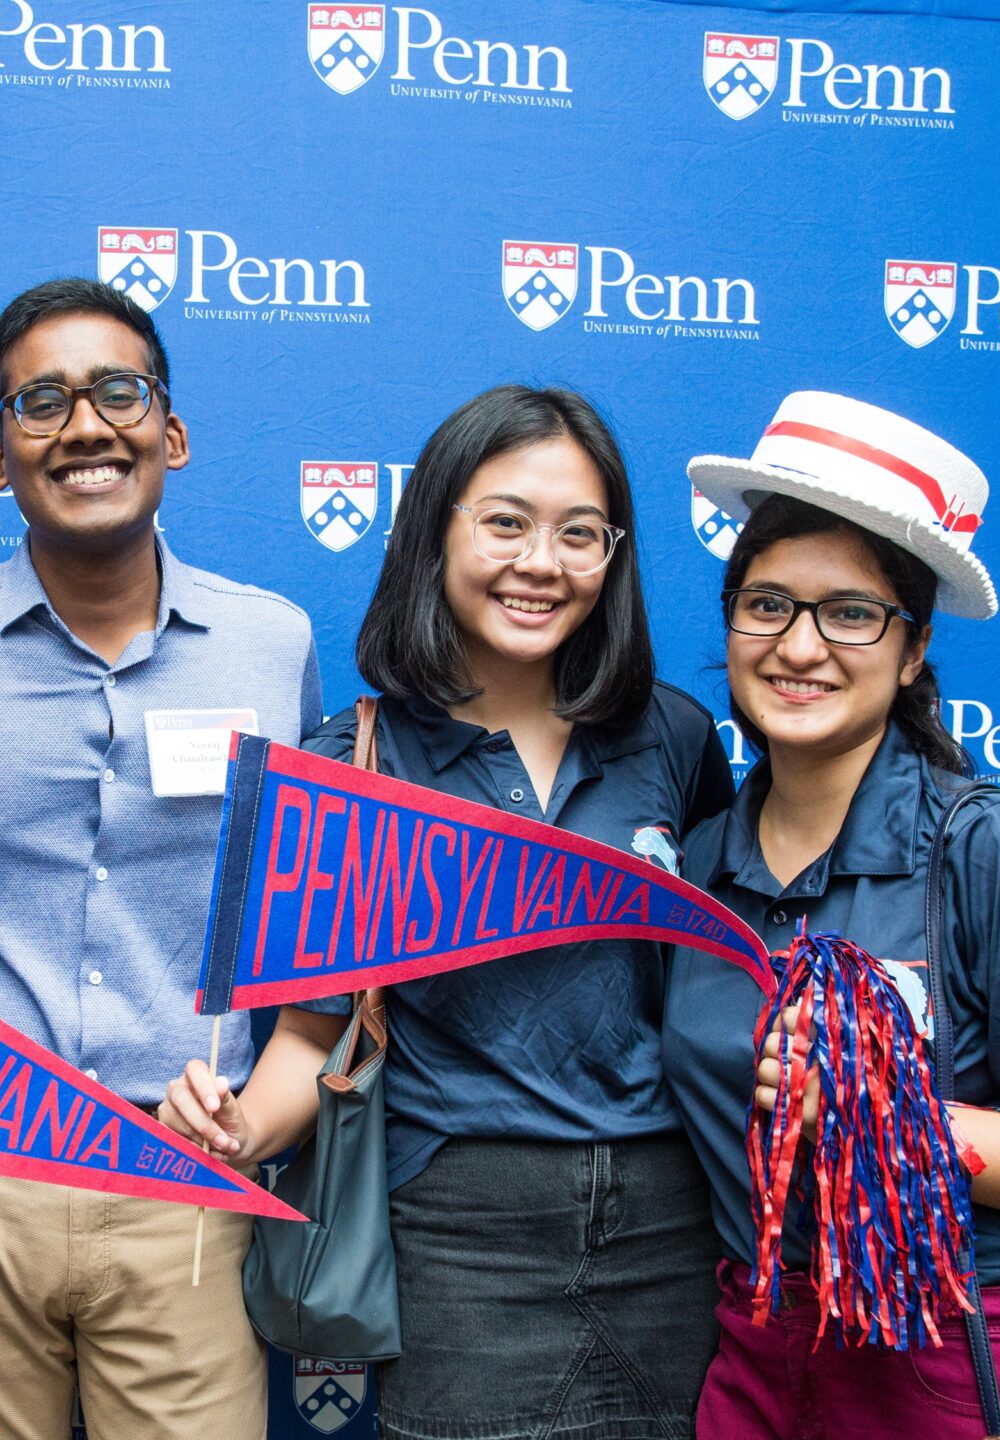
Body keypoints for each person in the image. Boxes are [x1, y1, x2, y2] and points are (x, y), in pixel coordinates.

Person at [212, 385, 732, 1439]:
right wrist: (234, 1132)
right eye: (504, 522)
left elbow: (717, 988)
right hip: (459, 1232)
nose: (541, 563)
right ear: (433, 527)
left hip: (671, 1227)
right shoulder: (347, 762)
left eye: (578, 535)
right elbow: (312, 1037)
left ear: (614, 556)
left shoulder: (673, 738)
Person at [659, 392, 1000, 1439]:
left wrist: (886, 1120)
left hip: (980, 1352)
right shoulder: (699, 865)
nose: (799, 645)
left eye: (849, 613)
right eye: (767, 604)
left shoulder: (998, 852)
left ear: (911, 647)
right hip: (765, 1346)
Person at [0, 277, 336, 1437]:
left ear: (170, 434)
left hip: (181, 1179)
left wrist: (259, 1108)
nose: (85, 426)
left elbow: (311, 912)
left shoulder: (270, 643)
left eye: (119, 393)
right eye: (40, 402)